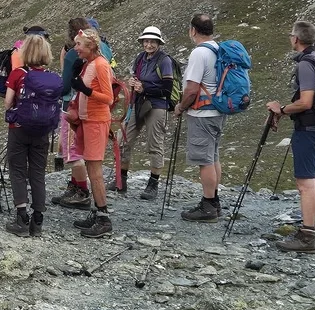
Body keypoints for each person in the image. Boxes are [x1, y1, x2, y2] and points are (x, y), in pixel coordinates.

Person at [265, 20, 315, 253]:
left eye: (290, 36)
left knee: (305, 185)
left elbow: (305, 102)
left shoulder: (306, 64)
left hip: (308, 129)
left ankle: (307, 236)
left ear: (296, 39)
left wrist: (281, 109)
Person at [3, 34, 57, 236]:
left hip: (18, 129)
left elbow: (8, 102)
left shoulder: (17, 74)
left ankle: (21, 218)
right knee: (38, 173)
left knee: (17, 171)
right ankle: (38, 220)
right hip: (42, 132)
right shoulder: (51, 77)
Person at [175, 14, 224, 223]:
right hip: (217, 111)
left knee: (204, 161)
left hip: (202, 113)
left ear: (193, 30)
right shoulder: (218, 49)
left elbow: (192, 88)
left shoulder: (199, 53)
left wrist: (180, 107)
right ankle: (214, 201)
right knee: (213, 157)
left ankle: (207, 205)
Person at [66, 28, 115, 237]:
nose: (75, 48)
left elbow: (109, 98)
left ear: (91, 46)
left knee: (94, 170)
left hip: (96, 121)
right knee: (89, 166)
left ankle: (103, 217)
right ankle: (97, 211)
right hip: (87, 120)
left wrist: (86, 90)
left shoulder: (101, 65)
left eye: (79, 45)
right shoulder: (89, 64)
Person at [121, 26, 175, 200]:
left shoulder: (165, 60)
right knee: (124, 139)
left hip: (157, 105)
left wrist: (144, 87)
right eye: (146, 41)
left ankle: (153, 184)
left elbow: (167, 89)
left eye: (153, 41)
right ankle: (121, 179)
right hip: (139, 103)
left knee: (155, 144)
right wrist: (133, 83)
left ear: (158, 43)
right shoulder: (140, 58)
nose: (149, 44)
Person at [51, 18, 93, 208]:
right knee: (84, 148)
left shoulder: (72, 54)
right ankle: (75, 186)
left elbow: (65, 84)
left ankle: (82, 191)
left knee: (72, 150)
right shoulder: (102, 50)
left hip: (72, 106)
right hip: (95, 107)